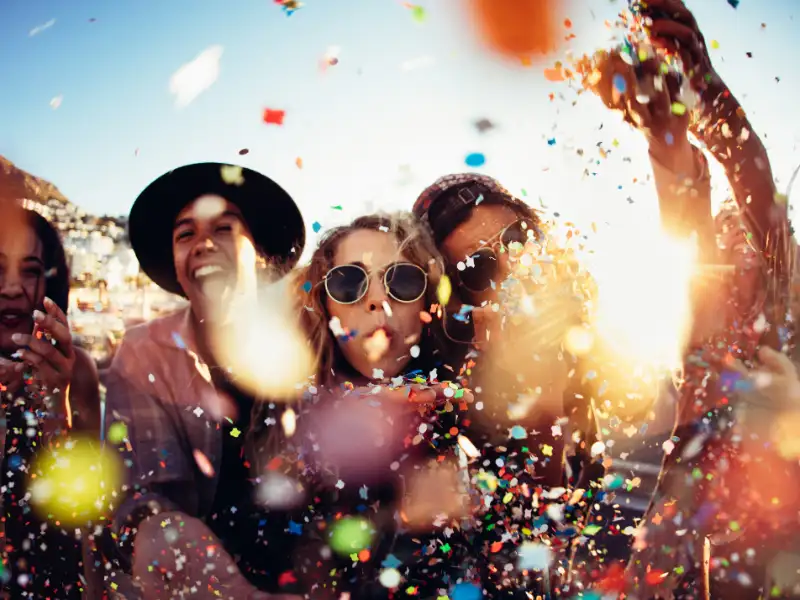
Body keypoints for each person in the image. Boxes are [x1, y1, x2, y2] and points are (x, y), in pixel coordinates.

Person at [579, 0, 794, 596]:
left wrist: (712, 102)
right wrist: (667, 135)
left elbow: (757, 192)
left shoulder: (785, 322)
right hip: (681, 546)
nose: (732, 266)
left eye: (746, 249)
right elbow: (686, 211)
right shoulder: (702, 341)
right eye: (720, 251)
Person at [97, 162, 308, 599]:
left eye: (225, 229)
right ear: (176, 267)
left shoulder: (313, 341)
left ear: (262, 253)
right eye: (185, 234)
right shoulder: (143, 352)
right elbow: (142, 495)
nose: (204, 244)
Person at [293, 212, 473, 599]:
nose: (378, 300)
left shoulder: (465, 403)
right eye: (348, 282)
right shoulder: (278, 408)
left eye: (403, 280)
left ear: (429, 301)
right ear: (324, 306)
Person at [0, 200, 101, 598]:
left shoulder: (78, 371)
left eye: (31, 271)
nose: (11, 287)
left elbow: (89, 506)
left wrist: (54, 405)